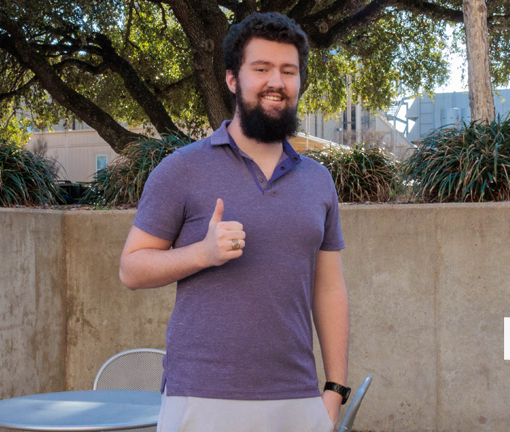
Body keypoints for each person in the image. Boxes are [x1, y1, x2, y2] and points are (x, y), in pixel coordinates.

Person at [119, 12, 350, 432]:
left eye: (288, 70)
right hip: (201, 398)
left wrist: (334, 390)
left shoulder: (318, 181)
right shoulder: (181, 169)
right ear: (232, 79)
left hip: (297, 399)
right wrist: (202, 254)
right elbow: (131, 268)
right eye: (260, 69)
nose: (275, 82)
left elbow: (329, 287)